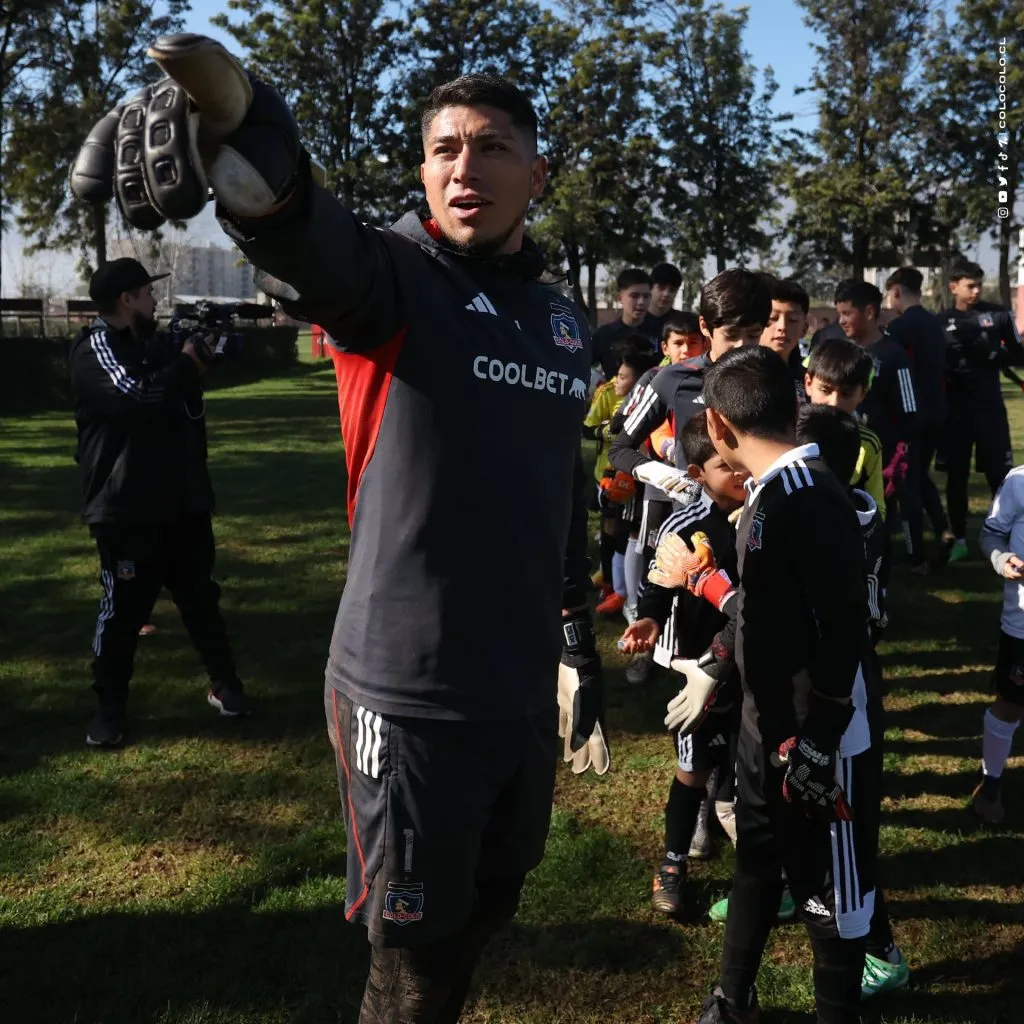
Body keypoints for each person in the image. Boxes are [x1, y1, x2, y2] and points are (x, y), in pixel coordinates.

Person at [72, 39, 608, 1022]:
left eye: (489, 147)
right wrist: (252, 136)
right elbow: (306, 237)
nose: (461, 165)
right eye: (442, 146)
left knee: (491, 904)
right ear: (420, 170)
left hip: (519, 687)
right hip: (408, 692)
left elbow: (554, 480)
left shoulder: (561, 321)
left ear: (537, 173)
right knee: (407, 963)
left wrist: (577, 633)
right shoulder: (397, 279)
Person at [692, 346, 877, 1024]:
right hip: (762, 728)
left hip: (815, 741)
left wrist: (821, 739)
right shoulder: (770, 492)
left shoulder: (807, 495)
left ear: (718, 425)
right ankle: (731, 998)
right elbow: (773, 615)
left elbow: (846, 624)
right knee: (757, 862)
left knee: (832, 898)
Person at [68, 257, 247, 747]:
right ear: (126, 299)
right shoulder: (95, 348)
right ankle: (109, 712)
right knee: (123, 612)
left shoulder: (151, 344)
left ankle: (227, 687)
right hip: (127, 507)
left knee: (200, 600)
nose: (154, 301)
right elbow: (134, 397)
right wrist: (188, 363)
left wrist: (207, 352)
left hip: (182, 501)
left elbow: (182, 382)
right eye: (147, 293)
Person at [794, 406, 908, 999]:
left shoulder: (833, 527)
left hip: (843, 693)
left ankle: (875, 949)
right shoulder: (860, 517)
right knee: (832, 822)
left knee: (845, 827)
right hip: (849, 679)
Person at [619, 412, 747, 915]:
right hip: (698, 667)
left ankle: (765, 868)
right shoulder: (686, 524)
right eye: (724, 464)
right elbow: (658, 582)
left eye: (738, 459)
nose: (738, 471)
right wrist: (649, 619)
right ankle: (672, 862)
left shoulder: (760, 511)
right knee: (692, 770)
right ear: (696, 474)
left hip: (747, 662)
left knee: (743, 768)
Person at [835, 280, 925, 573]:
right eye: (840, 313)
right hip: (848, 449)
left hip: (888, 451)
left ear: (870, 312)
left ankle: (915, 557)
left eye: (848, 313)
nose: (841, 320)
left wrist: (902, 450)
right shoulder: (841, 351)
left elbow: (909, 406)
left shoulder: (893, 354)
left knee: (905, 502)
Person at [941, 260, 1024, 563]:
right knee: (957, 476)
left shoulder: (998, 314)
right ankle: (959, 539)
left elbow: (1018, 354)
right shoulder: (942, 321)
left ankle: (1006, 537)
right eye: (969, 286)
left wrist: (993, 353)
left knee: (1000, 477)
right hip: (956, 411)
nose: (976, 291)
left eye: (978, 285)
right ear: (954, 287)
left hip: (989, 407)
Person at [584, 349, 659, 616]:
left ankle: (625, 592)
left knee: (631, 534)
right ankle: (612, 586)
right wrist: (605, 430)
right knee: (612, 529)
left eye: (623, 376)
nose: (617, 380)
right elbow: (588, 427)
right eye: (618, 375)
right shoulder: (608, 395)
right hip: (609, 474)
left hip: (638, 478)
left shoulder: (655, 396)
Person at [884, 266, 951, 560]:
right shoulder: (935, 323)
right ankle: (942, 527)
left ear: (896, 292)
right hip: (938, 409)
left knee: (909, 479)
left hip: (911, 413)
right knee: (921, 474)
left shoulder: (901, 328)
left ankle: (917, 552)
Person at [974, 467, 1024, 823]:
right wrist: (1002, 560)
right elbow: (991, 534)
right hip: (1023, 623)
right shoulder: (1019, 481)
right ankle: (990, 784)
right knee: (1012, 702)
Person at [804, 337, 887, 525]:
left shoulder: (868, 444)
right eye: (825, 390)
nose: (834, 403)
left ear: (863, 393)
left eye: (846, 394)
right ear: (808, 383)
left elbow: (877, 506)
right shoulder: (786, 432)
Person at [591, 268, 659, 377]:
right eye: (634, 296)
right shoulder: (603, 335)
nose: (641, 302)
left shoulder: (661, 332)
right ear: (620, 298)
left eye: (646, 296)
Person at [759, 276, 809, 399]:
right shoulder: (739, 376)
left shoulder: (810, 382)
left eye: (792, 320)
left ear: (804, 329)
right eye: (773, 318)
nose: (782, 327)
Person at [647, 262, 684, 334]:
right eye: (661, 288)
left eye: (672, 290)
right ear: (650, 287)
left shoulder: (682, 323)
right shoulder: (635, 321)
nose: (666, 294)